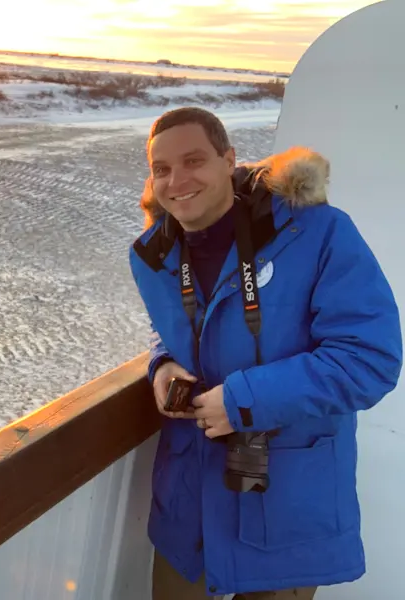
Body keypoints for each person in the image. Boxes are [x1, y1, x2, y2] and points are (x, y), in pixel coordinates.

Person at [129, 107, 402, 599]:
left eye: (194, 160)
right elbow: (170, 329)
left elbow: (369, 358)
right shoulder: (154, 254)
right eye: (161, 168)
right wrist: (162, 363)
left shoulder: (315, 233)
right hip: (189, 512)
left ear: (228, 160)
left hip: (285, 512)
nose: (177, 181)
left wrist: (243, 401)